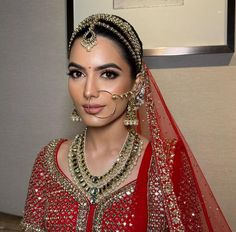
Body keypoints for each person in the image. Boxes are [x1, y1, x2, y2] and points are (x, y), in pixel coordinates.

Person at [21, 13, 231, 231]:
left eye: (108, 74)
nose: (88, 91)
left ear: (137, 84)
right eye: (77, 73)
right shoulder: (48, 162)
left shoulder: (165, 166)